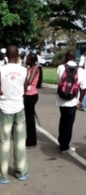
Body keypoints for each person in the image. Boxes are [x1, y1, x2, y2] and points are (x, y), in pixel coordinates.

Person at [0, 45, 28, 184]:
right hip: (19, 107)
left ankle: (3, 175)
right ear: (17, 56)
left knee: (4, 142)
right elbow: (25, 87)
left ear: (7, 56)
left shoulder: (0, 69)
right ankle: (21, 171)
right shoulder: (23, 70)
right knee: (20, 141)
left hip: (4, 107)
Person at [56, 50, 86, 154]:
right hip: (73, 100)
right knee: (69, 123)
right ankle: (65, 147)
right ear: (75, 57)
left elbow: (59, 81)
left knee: (63, 120)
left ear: (66, 57)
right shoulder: (80, 70)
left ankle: (61, 142)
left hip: (61, 99)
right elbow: (84, 88)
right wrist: (79, 101)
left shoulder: (61, 67)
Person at [24, 53, 39, 148]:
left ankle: (31, 141)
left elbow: (30, 80)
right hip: (27, 95)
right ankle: (30, 139)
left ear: (32, 60)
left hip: (31, 95)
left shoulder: (35, 68)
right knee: (29, 119)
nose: (26, 60)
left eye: (28, 59)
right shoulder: (28, 68)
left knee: (30, 119)